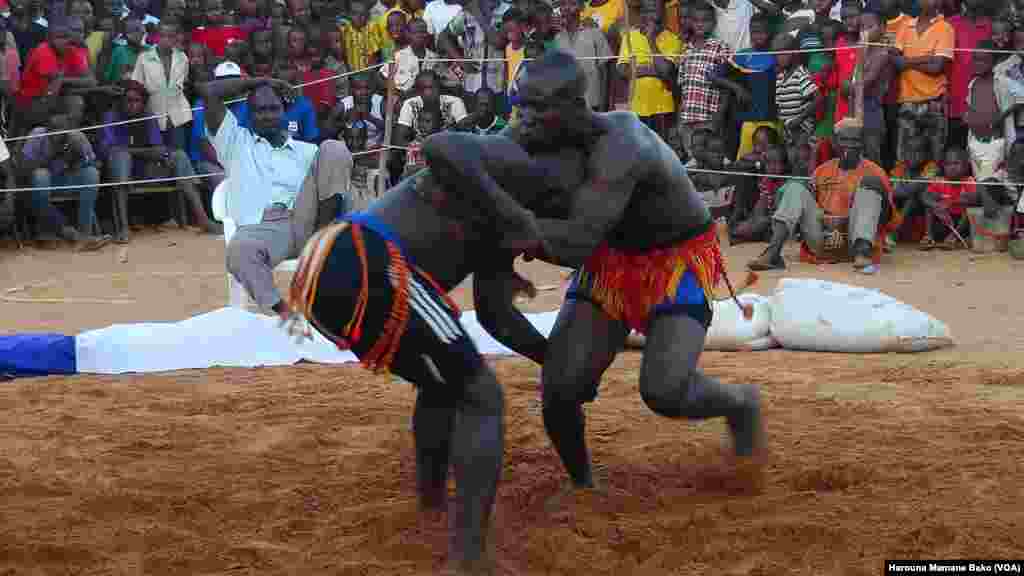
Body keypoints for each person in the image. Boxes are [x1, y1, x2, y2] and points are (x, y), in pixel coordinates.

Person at [287, 130, 555, 574]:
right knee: (482, 396)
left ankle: (431, 500)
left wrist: (554, 360)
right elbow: (441, 145)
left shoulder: (497, 205)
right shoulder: (499, 160)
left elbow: (496, 316)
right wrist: (515, 215)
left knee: (442, 383)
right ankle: (469, 558)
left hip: (326, 270)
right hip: (370, 262)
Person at [497, 51, 765, 494]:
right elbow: (483, 166)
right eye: (519, 106)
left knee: (665, 392)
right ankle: (584, 486)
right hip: (609, 260)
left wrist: (514, 231)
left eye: (534, 109)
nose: (521, 119)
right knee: (560, 388)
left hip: (674, 261)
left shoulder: (624, 144)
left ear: (570, 107)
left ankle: (740, 403)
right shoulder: (534, 132)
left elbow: (576, 242)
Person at [200, 73, 353, 320]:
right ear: (250, 114)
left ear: (285, 111)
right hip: (264, 228)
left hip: (308, 222)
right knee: (239, 250)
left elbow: (333, 185)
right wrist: (262, 81)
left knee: (334, 149)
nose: (268, 115)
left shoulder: (308, 151)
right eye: (260, 110)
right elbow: (209, 91)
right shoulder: (234, 142)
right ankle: (284, 315)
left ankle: (322, 247)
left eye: (274, 108)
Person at [748, 118, 896, 272]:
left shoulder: (875, 171)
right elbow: (801, 204)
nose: (849, 145)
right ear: (834, 142)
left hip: (856, 241)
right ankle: (773, 253)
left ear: (862, 143)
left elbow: (888, 220)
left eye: (855, 140)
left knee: (871, 183)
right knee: (795, 187)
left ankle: (862, 254)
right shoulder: (822, 170)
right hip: (823, 238)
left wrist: (870, 198)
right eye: (844, 139)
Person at [99, 79, 219, 242]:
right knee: (122, 158)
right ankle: (123, 227)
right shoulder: (111, 117)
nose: (132, 105)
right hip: (121, 172)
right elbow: (108, 150)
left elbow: (158, 149)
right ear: (121, 101)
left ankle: (203, 219)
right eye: (129, 100)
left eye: (137, 101)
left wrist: (134, 151)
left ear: (143, 102)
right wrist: (137, 152)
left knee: (179, 156)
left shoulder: (148, 116)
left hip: (146, 169)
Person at [20, 113, 109, 250]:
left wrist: (78, 160)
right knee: (40, 175)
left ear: (69, 129)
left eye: (61, 131)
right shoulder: (37, 135)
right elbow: (24, 168)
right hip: (42, 183)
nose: (57, 135)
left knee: (92, 173)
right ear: (47, 130)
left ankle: (85, 233)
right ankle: (72, 234)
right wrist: (52, 157)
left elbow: (96, 164)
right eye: (53, 130)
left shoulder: (77, 137)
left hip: (67, 178)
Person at [892, 0, 953, 167]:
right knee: (905, 158)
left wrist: (908, 61)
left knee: (935, 158)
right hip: (907, 101)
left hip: (933, 101)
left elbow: (937, 67)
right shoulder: (905, 26)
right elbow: (896, 62)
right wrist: (926, 58)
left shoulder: (945, 28)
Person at [131, 19, 191, 149]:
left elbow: (184, 83)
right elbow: (136, 86)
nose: (166, 40)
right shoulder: (144, 58)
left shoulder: (182, 58)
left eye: (170, 36)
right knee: (158, 157)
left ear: (176, 37)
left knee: (179, 154)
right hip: (152, 115)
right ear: (157, 36)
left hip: (179, 116)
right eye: (163, 35)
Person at [554, 0, 613, 112]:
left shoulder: (594, 32)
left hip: (592, 103)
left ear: (581, 7)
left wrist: (604, 105)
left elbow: (605, 72)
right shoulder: (557, 39)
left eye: (571, 3)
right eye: (562, 4)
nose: (566, 8)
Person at [965, 42, 1006, 182]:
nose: (978, 63)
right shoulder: (973, 83)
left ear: (995, 61)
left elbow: (1020, 96)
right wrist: (968, 116)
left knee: (987, 181)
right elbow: (971, 105)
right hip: (975, 143)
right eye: (975, 59)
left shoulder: (1001, 82)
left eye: (983, 60)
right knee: (981, 181)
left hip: (994, 143)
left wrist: (1000, 116)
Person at [920, 146, 974, 250]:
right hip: (943, 220)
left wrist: (950, 203)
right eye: (948, 164)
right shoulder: (939, 181)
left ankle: (953, 238)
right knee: (929, 206)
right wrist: (937, 206)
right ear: (943, 166)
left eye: (956, 163)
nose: (952, 167)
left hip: (961, 224)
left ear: (965, 166)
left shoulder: (968, 181)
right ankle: (928, 236)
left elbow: (971, 199)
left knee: (969, 209)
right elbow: (925, 197)